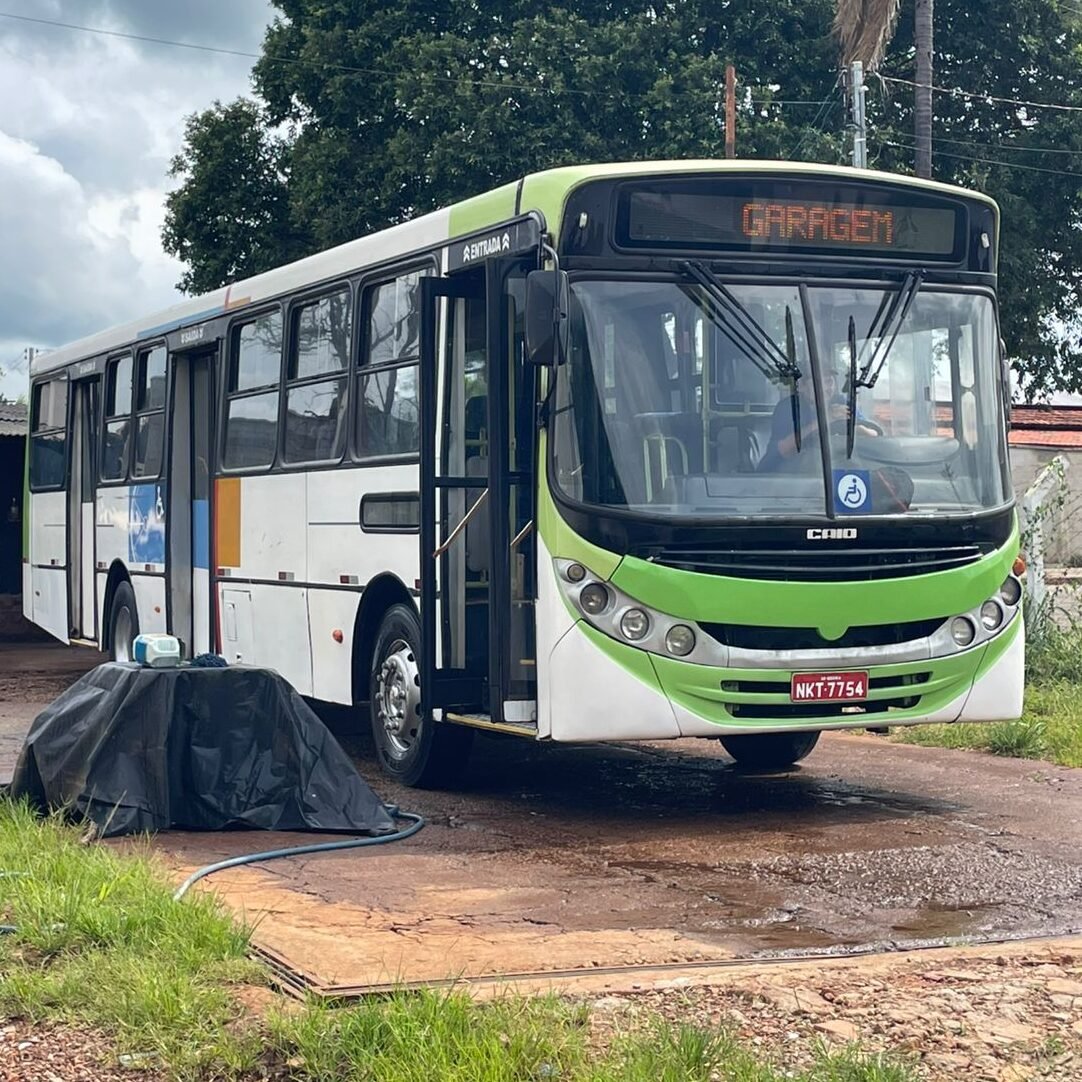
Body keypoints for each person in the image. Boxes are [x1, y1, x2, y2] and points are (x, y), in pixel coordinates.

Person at [757, 366, 878, 472]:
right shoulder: (789, 407)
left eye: (830, 382)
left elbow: (875, 435)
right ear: (801, 387)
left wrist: (857, 429)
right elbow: (784, 451)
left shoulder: (840, 402)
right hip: (779, 477)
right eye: (820, 382)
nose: (827, 388)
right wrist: (827, 418)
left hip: (828, 473)